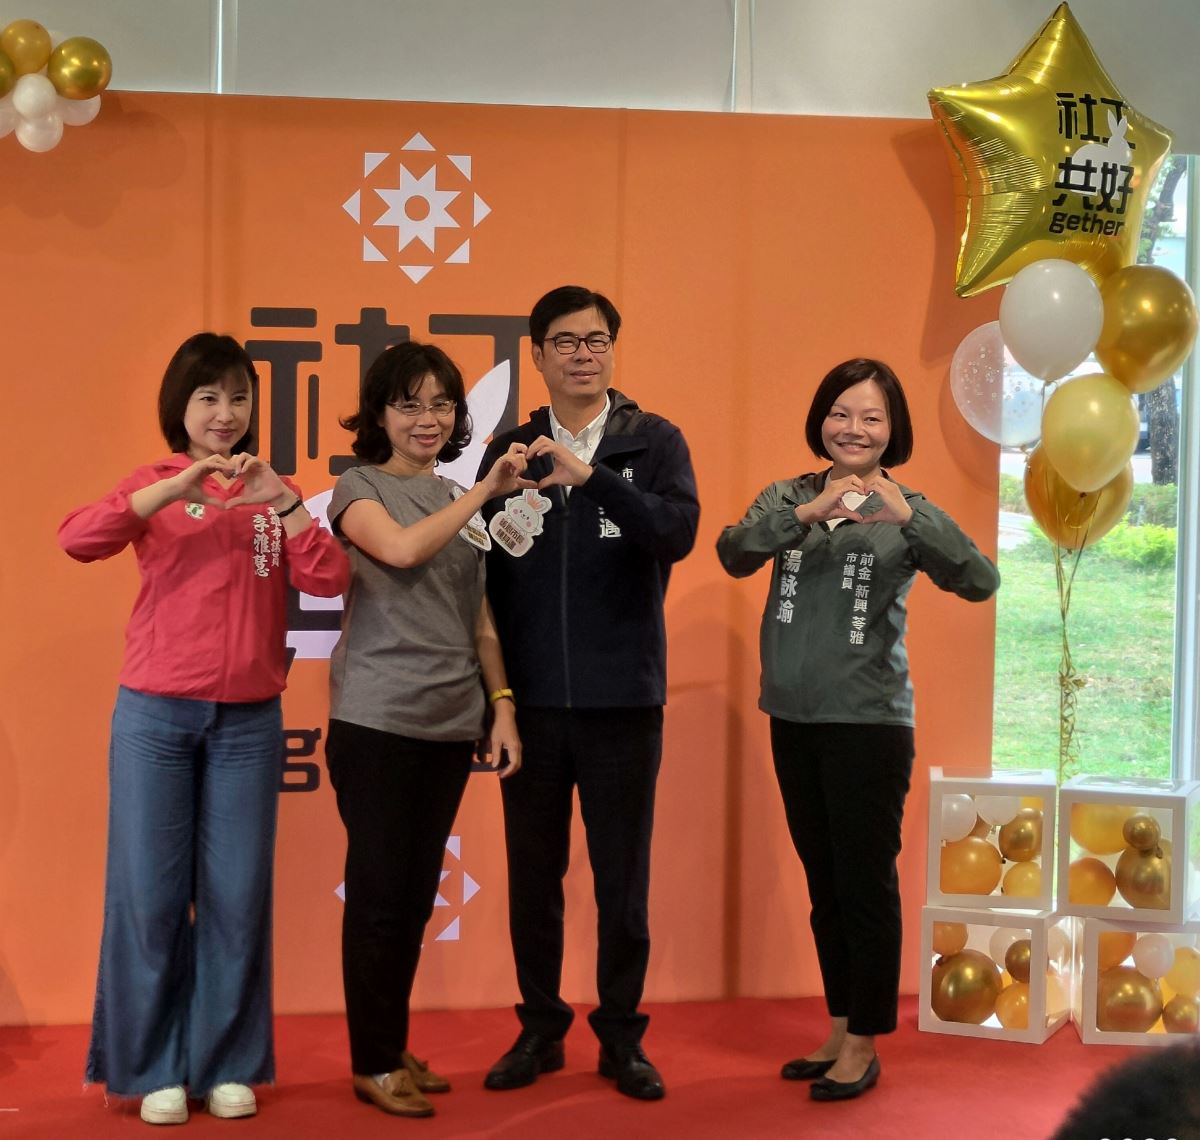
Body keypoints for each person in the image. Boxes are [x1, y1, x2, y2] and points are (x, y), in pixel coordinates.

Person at [58, 332, 350, 1126]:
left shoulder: (273, 492)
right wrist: (168, 491)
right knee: (149, 897)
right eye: (209, 397)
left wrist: (283, 503)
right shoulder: (154, 483)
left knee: (236, 897)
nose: (225, 413)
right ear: (180, 408)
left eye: (238, 398)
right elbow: (78, 539)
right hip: (155, 715)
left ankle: (226, 1063)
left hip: (249, 722)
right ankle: (152, 1068)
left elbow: (329, 577)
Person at [716, 358, 999, 1102]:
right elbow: (733, 552)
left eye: (872, 417)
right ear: (821, 421)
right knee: (826, 885)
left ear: (891, 431)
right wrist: (809, 513)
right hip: (792, 718)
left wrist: (911, 519)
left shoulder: (908, 510)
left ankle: (866, 1042)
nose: (854, 429)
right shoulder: (788, 497)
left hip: (869, 724)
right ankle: (840, 1027)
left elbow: (979, 580)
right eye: (841, 413)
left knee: (864, 885)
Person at [477, 285, 699, 1101]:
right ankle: (540, 1029)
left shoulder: (654, 441)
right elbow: (483, 578)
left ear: (612, 349)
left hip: (623, 703)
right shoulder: (510, 449)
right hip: (531, 706)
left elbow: (676, 534)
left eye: (597, 339)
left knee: (621, 884)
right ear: (537, 354)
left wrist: (594, 477)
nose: (583, 354)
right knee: (533, 880)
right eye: (565, 341)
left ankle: (622, 1037)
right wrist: (497, 700)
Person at [324, 341, 527, 1119]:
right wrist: (482, 495)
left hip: (449, 724)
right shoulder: (360, 487)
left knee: (412, 900)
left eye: (442, 403)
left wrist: (500, 702)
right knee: (380, 897)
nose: (428, 418)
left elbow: (480, 618)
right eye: (409, 403)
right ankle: (373, 1061)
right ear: (379, 414)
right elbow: (402, 550)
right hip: (377, 719)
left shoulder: (455, 496)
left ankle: (390, 1041)